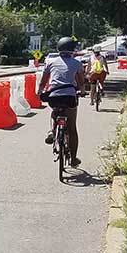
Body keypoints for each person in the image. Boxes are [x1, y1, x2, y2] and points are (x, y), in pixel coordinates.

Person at [40, 37, 84, 167]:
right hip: (69, 97)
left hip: (54, 97)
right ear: (72, 50)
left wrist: (39, 92)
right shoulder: (77, 63)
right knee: (72, 129)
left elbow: (43, 82)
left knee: (55, 110)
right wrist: (82, 91)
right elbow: (81, 82)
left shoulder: (50, 62)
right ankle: (74, 159)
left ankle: (52, 131)